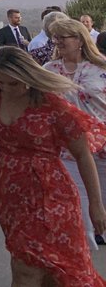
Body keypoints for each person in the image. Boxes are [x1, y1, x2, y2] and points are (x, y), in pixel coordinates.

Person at [0, 46, 106, 287]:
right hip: (10, 194)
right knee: (44, 270)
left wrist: (96, 205)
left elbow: (83, 154)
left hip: (51, 194)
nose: (11, 89)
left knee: (29, 267)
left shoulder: (52, 105)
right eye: (3, 82)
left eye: (16, 83)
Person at [44, 17, 106, 249]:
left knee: (102, 208)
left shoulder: (100, 66)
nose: (57, 41)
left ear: (80, 39)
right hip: (68, 150)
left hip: (102, 145)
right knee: (78, 208)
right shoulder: (50, 70)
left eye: (63, 37)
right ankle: (82, 264)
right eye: (55, 37)